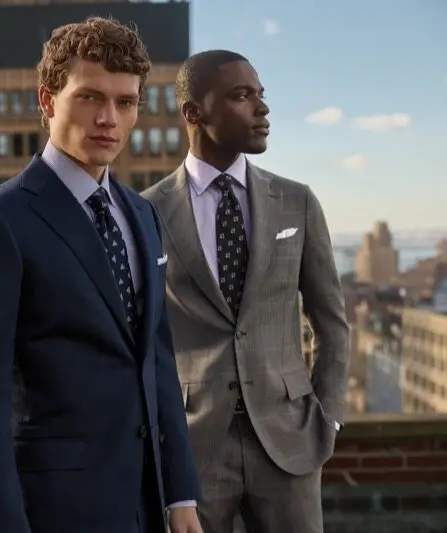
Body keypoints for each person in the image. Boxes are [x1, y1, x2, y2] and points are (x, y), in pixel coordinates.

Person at [0, 17, 203, 533]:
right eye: (90, 98)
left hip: (144, 510)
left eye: (125, 103)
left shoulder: (142, 215)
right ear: (47, 99)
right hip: (48, 511)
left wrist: (180, 494)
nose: (109, 119)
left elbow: (156, 362)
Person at [142, 50, 350, 533]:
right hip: (192, 449)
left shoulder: (296, 201)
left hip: (289, 443)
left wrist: (328, 418)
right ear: (194, 112)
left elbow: (331, 322)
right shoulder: (146, 212)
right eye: (241, 96)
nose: (262, 108)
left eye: (261, 94)